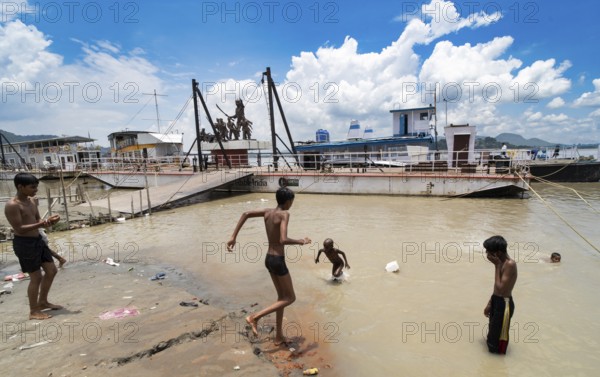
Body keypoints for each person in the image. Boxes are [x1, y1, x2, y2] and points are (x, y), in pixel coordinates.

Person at [227, 187, 311, 346]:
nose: (291, 204)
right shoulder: (284, 214)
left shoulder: (268, 212)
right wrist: (302, 241)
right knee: (291, 298)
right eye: (292, 201)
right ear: (288, 201)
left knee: (281, 298)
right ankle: (255, 317)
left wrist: (233, 237)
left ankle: (279, 336)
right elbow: (283, 239)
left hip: (268, 259)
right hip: (278, 260)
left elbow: (245, 214)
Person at [4, 173, 63, 320]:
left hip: (37, 240)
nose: (35, 190)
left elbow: (37, 219)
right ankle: (33, 311)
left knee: (51, 270)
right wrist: (41, 224)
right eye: (32, 187)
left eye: (36, 187)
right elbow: (19, 228)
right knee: (36, 277)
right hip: (24, 244)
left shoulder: (31, 201)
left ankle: (42, 302)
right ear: (20, 187)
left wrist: (48, 221)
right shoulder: (12, 205)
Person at [483, 235, 517, 354]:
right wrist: (489, 304)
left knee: (497, 343)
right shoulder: (502, 263)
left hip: (504, 305)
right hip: (496, 301)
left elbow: (501, 289)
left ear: (497, 253)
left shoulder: (510, 264)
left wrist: (497, 266)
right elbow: (496, 290)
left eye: (488, 251)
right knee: (492, 335)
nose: (487, 254)